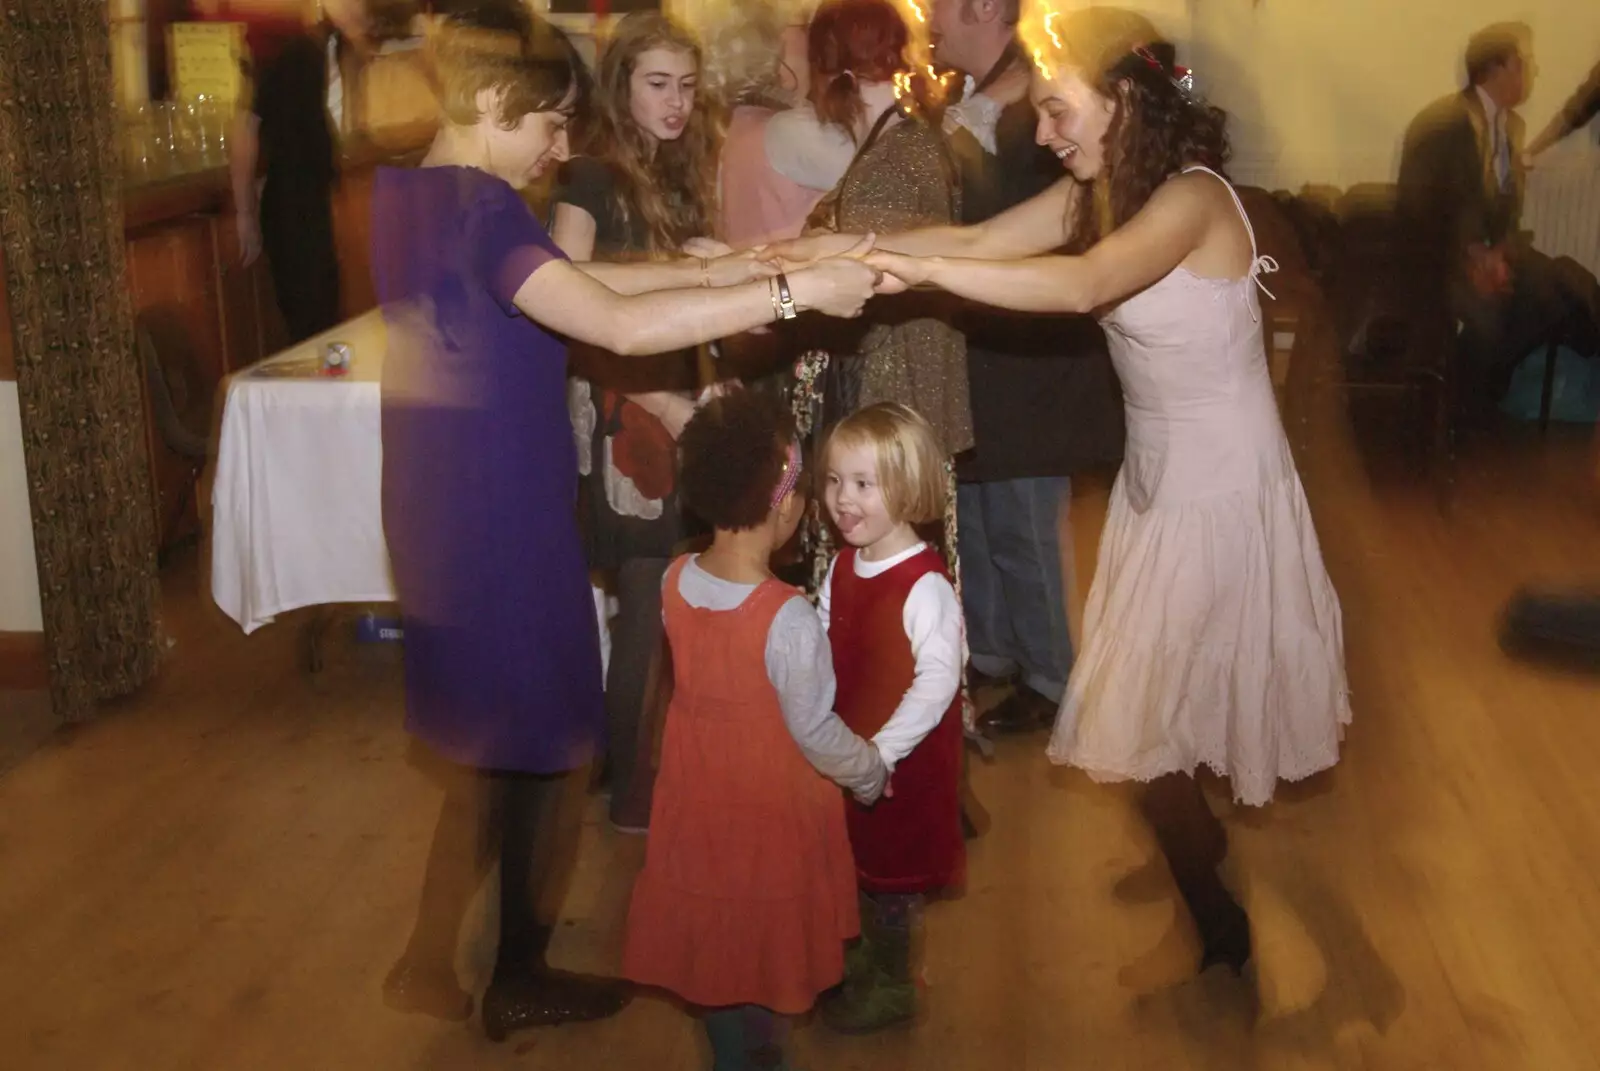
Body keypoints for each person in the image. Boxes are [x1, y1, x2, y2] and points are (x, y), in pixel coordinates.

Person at [792, 4, 1352, 979]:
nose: (1044, 133)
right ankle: (1202, 863)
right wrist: (844, 255)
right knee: (1158, 712)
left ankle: (1215, 918)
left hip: (1221, 493)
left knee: (1142, 715)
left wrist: (907, 274)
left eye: (1060, 112)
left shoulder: (1190, 198)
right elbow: (983, 245)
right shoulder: (1102, 190)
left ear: (1127, 101)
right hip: (1156, 489)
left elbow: (1080, 287)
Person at [371, 1, 877, 1041]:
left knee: (493, 746)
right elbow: (609, 321)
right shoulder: (482, 206)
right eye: (545, 122)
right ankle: (511, 969)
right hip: (497, 516)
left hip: (442, 505)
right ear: (488, 102)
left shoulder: (409, 192)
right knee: (544, 749)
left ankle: (437, 961)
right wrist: (787, 293)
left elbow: (585, 283)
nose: (561, 144)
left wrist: (730, 268)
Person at [623, 390, 886, 1071]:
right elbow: (815, 730)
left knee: (717, 930)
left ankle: (734, 1051)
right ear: (785, 502)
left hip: (697, 801)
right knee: (761, 927)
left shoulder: (675, 580)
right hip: (768, 812)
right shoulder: (786, 617)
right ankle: (756, 1054)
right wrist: (868, 771)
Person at [549, 11, 735, 833]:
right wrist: (668, 405)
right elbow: (570, 303)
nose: (676, 102)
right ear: (620, 86)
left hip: (669, 401)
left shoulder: (674, 168)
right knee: (642, 605)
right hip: (626, 411)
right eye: (657, 84)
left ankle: (626, 773)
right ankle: (631, 799)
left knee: (654, 603)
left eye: (687, 86)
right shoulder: (590, 176)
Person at [924, 0, 1124, 735]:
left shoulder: (1042, 111)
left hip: (1035, 360)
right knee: (976, 516)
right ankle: (999, 655)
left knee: (1025, 527)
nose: (927, 16)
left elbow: (1040, 243)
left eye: (939, 4)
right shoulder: (969, 103)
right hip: (984, 347)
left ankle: (1052, 675)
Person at [817, 403, 966, 1032]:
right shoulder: (845, 561)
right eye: (832, 481)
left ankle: (895, 983)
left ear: (906, 489)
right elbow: (825, 633)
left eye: (861, 484)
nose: (841, 500)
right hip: (854, 748)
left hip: (901, 764)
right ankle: (866, 964)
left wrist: (883, 752)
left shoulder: (924, 584)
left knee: (893, 883)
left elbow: (939, 681)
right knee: (855, 864)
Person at [1397, 24, 1594, 422]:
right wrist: (1474, 257)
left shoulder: (1512, 128)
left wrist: (1500, 253)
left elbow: (1503, 215)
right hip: (1443, 265)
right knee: (1539, 299)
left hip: (1492, 259)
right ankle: (1469, 403)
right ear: (1496, 69)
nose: (1532, 71)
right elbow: (1419, 212)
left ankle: (1477, 398)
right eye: (1523, 62)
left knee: (1571, 285)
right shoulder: (1444, 124)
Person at [228, 0, 372, 344]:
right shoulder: (293, 50)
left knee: (322, 315)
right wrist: (245, 211)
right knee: (312, 320)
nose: (361, 11)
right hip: (292, 207)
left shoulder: (319, 48)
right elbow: (245, 128)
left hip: (307, 201)